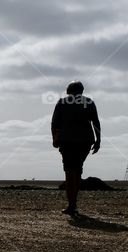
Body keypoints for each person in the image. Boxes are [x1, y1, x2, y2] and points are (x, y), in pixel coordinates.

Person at [51, 81, 101, 216]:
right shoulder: (89, 102)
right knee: (77, 170)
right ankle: (73, 203)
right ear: (81, 90)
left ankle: (71, 205)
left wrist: (54, 138)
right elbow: (96, 122)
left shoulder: (62, 102)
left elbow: (54, 123)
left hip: (67, 141)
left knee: (69, 172)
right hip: (85, 141)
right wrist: (98, 140)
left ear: (68, 90)